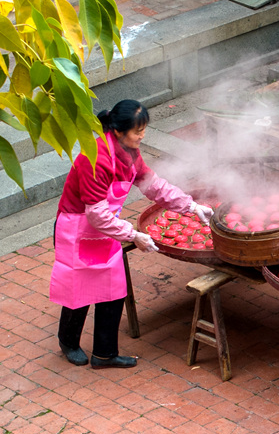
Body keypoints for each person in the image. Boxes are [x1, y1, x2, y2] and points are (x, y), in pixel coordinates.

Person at [50, 100, 214, 369]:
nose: (142, 135)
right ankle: (68, 341)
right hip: (78, 229)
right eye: (138, 131)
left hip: (106, 229)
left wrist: (191, 206)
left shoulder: (130, 154)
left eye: (144, 129)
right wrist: (132, 234)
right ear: (117, 131)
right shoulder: (96, 159)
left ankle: (104, 354)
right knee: (79, 289)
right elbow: (96, 214)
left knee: (113, 290)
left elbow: (154, 186)